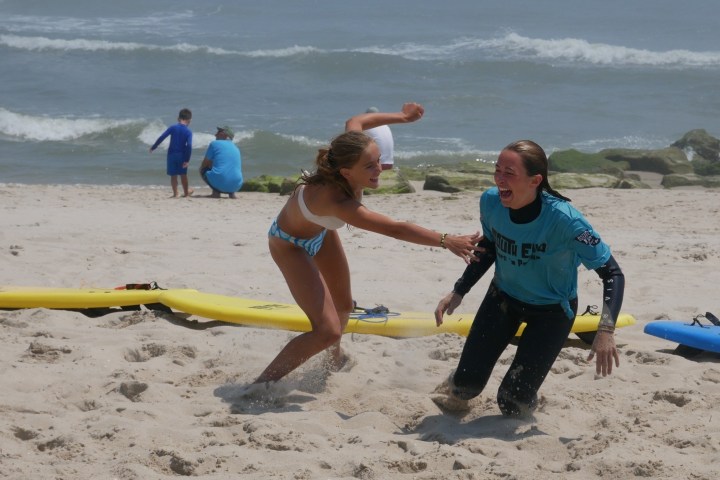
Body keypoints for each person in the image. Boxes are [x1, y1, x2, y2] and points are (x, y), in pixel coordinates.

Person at [252, 103, 481, 386]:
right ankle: (260, 384)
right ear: (347, 173)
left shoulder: (348, 152)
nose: (379, 169)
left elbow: (357, 119)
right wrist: (446, 240)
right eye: (370, 166)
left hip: (320, 232)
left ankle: (331, 362)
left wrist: (403, 117)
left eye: (379, 160)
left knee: (344, 306)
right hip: (290, 245)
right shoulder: (338, 203)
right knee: (328, 331)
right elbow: (395, 229)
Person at [434, 140, 625, 417]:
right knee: (465, 386)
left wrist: (606, 330)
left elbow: (613, 274)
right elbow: (490, 246)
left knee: (512, 402)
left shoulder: (567, 222)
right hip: (503, 299)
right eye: (497, 170)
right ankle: (457, 378)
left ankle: (529, 393)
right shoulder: (491, 202)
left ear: (535, 180)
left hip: (551, 313)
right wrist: (459, 290)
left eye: (509, 173)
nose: (499, 180)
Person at [149, 108, 194, 198]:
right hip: (182, 155)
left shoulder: (173, 128)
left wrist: (154, 147)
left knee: (173, 175)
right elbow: (189, 145)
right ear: (189, 120)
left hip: (171, 155)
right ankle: (185, 193)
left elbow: (162, 137)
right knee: (183, 174)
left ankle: (175, 193)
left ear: (178, 118)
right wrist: (187, 160)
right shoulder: (188, 132)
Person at [199, 126, 243, 199]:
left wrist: (208, 166)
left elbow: (205, 163)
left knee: (202, 169)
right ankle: (231, 194)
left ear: (224, 134)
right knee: (228, 167)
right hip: (237, 185)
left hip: (221, 183)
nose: (215, 135)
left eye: (218, 132)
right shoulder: (236, 147)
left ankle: (216, 193)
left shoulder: (214, 144)